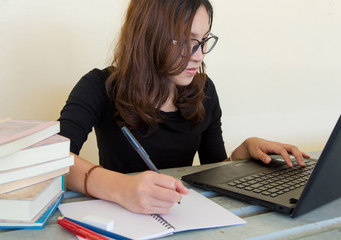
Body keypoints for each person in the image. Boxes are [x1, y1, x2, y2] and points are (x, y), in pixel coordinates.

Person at [58, 0, 310, 215]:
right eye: (186, 41)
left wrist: (239, 158)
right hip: (120, 218)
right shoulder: (99, 86)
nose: (199, 55)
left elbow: (213, 170)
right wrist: (122, 187)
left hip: (178, 215)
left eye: (202, 40)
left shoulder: (205, 90)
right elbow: (50, 161)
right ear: (149, 36)